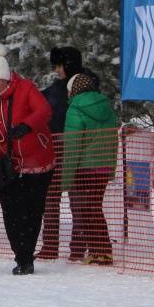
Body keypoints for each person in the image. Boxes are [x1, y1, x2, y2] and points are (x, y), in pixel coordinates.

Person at [0, 44, 55, 275]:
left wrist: (27, 126)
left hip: (37, 160)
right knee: (11, 212)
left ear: (6, 78)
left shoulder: (25, 89)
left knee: (33, 211)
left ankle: (27, 255)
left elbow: (44, 110)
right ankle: (21, 255)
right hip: (5, 163)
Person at [39, 47, 98, 259]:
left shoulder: (86, 87)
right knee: (50, 199)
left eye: (59, 65)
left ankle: (78, 246)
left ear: (69, 65)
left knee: (78, 200)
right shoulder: (54, 89)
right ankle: (50, 245)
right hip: (55, 149)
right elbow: (39, 103)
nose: (56, 70)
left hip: (78, 150)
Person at [60, 73, 118, 265]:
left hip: (83, 168)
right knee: (94, 208)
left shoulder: (75, 108)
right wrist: (110, 167)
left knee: (86, 210)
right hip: (102, 167)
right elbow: (113, 140)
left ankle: (101, 250)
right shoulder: (107, 107)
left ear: (73, 90)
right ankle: (99, 250)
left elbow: (72, 145)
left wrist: (66, 178)